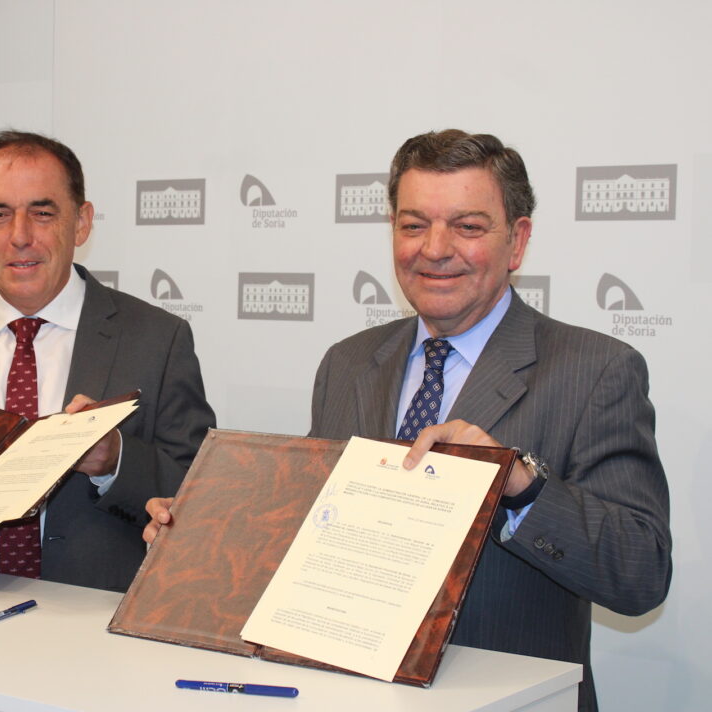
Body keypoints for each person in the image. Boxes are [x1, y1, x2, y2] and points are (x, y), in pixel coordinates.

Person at [145, 130, 670, 711]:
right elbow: (311, 534)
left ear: (517, 241)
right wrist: (206, 533)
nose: (435, 249)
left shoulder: (596, 370)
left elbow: (641, 574)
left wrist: (520, 484)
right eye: (414, 225)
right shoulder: (347, 364)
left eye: (467, 227)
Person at [0, 129, 215, 592]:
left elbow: (201, 492)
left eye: (42, 213)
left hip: (93, 619)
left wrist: (116, 460)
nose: (20, 237)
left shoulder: (157, 339)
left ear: (81, 222)